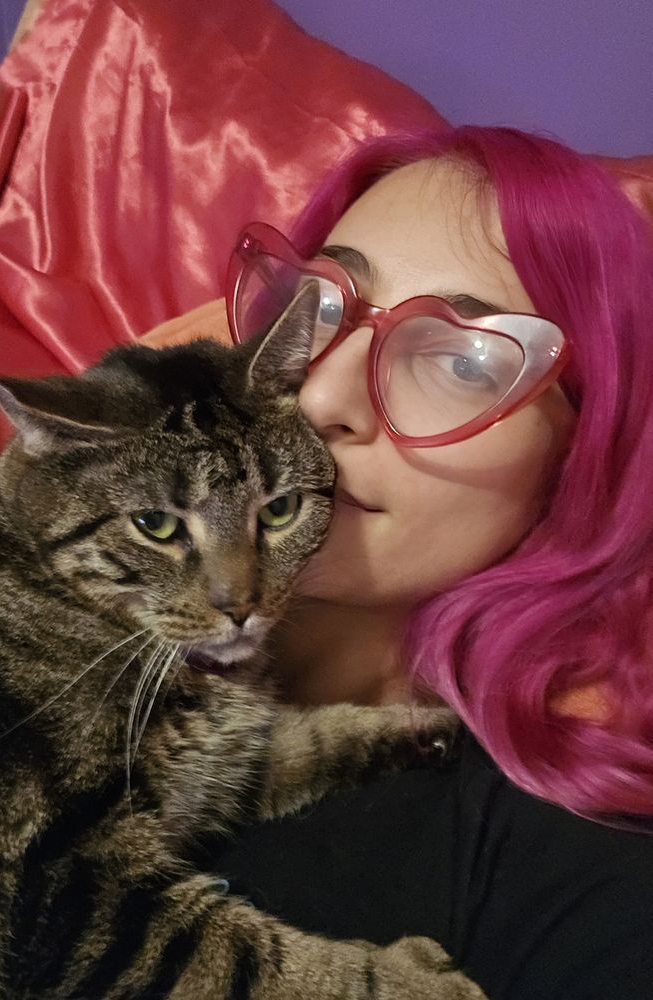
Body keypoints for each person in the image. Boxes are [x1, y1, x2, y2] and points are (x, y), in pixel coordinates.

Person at [193, 128, 653, 1000]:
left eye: (458, 359)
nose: (320, 396)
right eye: (314, 306)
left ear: (577, 462)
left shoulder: (548, 867)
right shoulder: (36, 542)